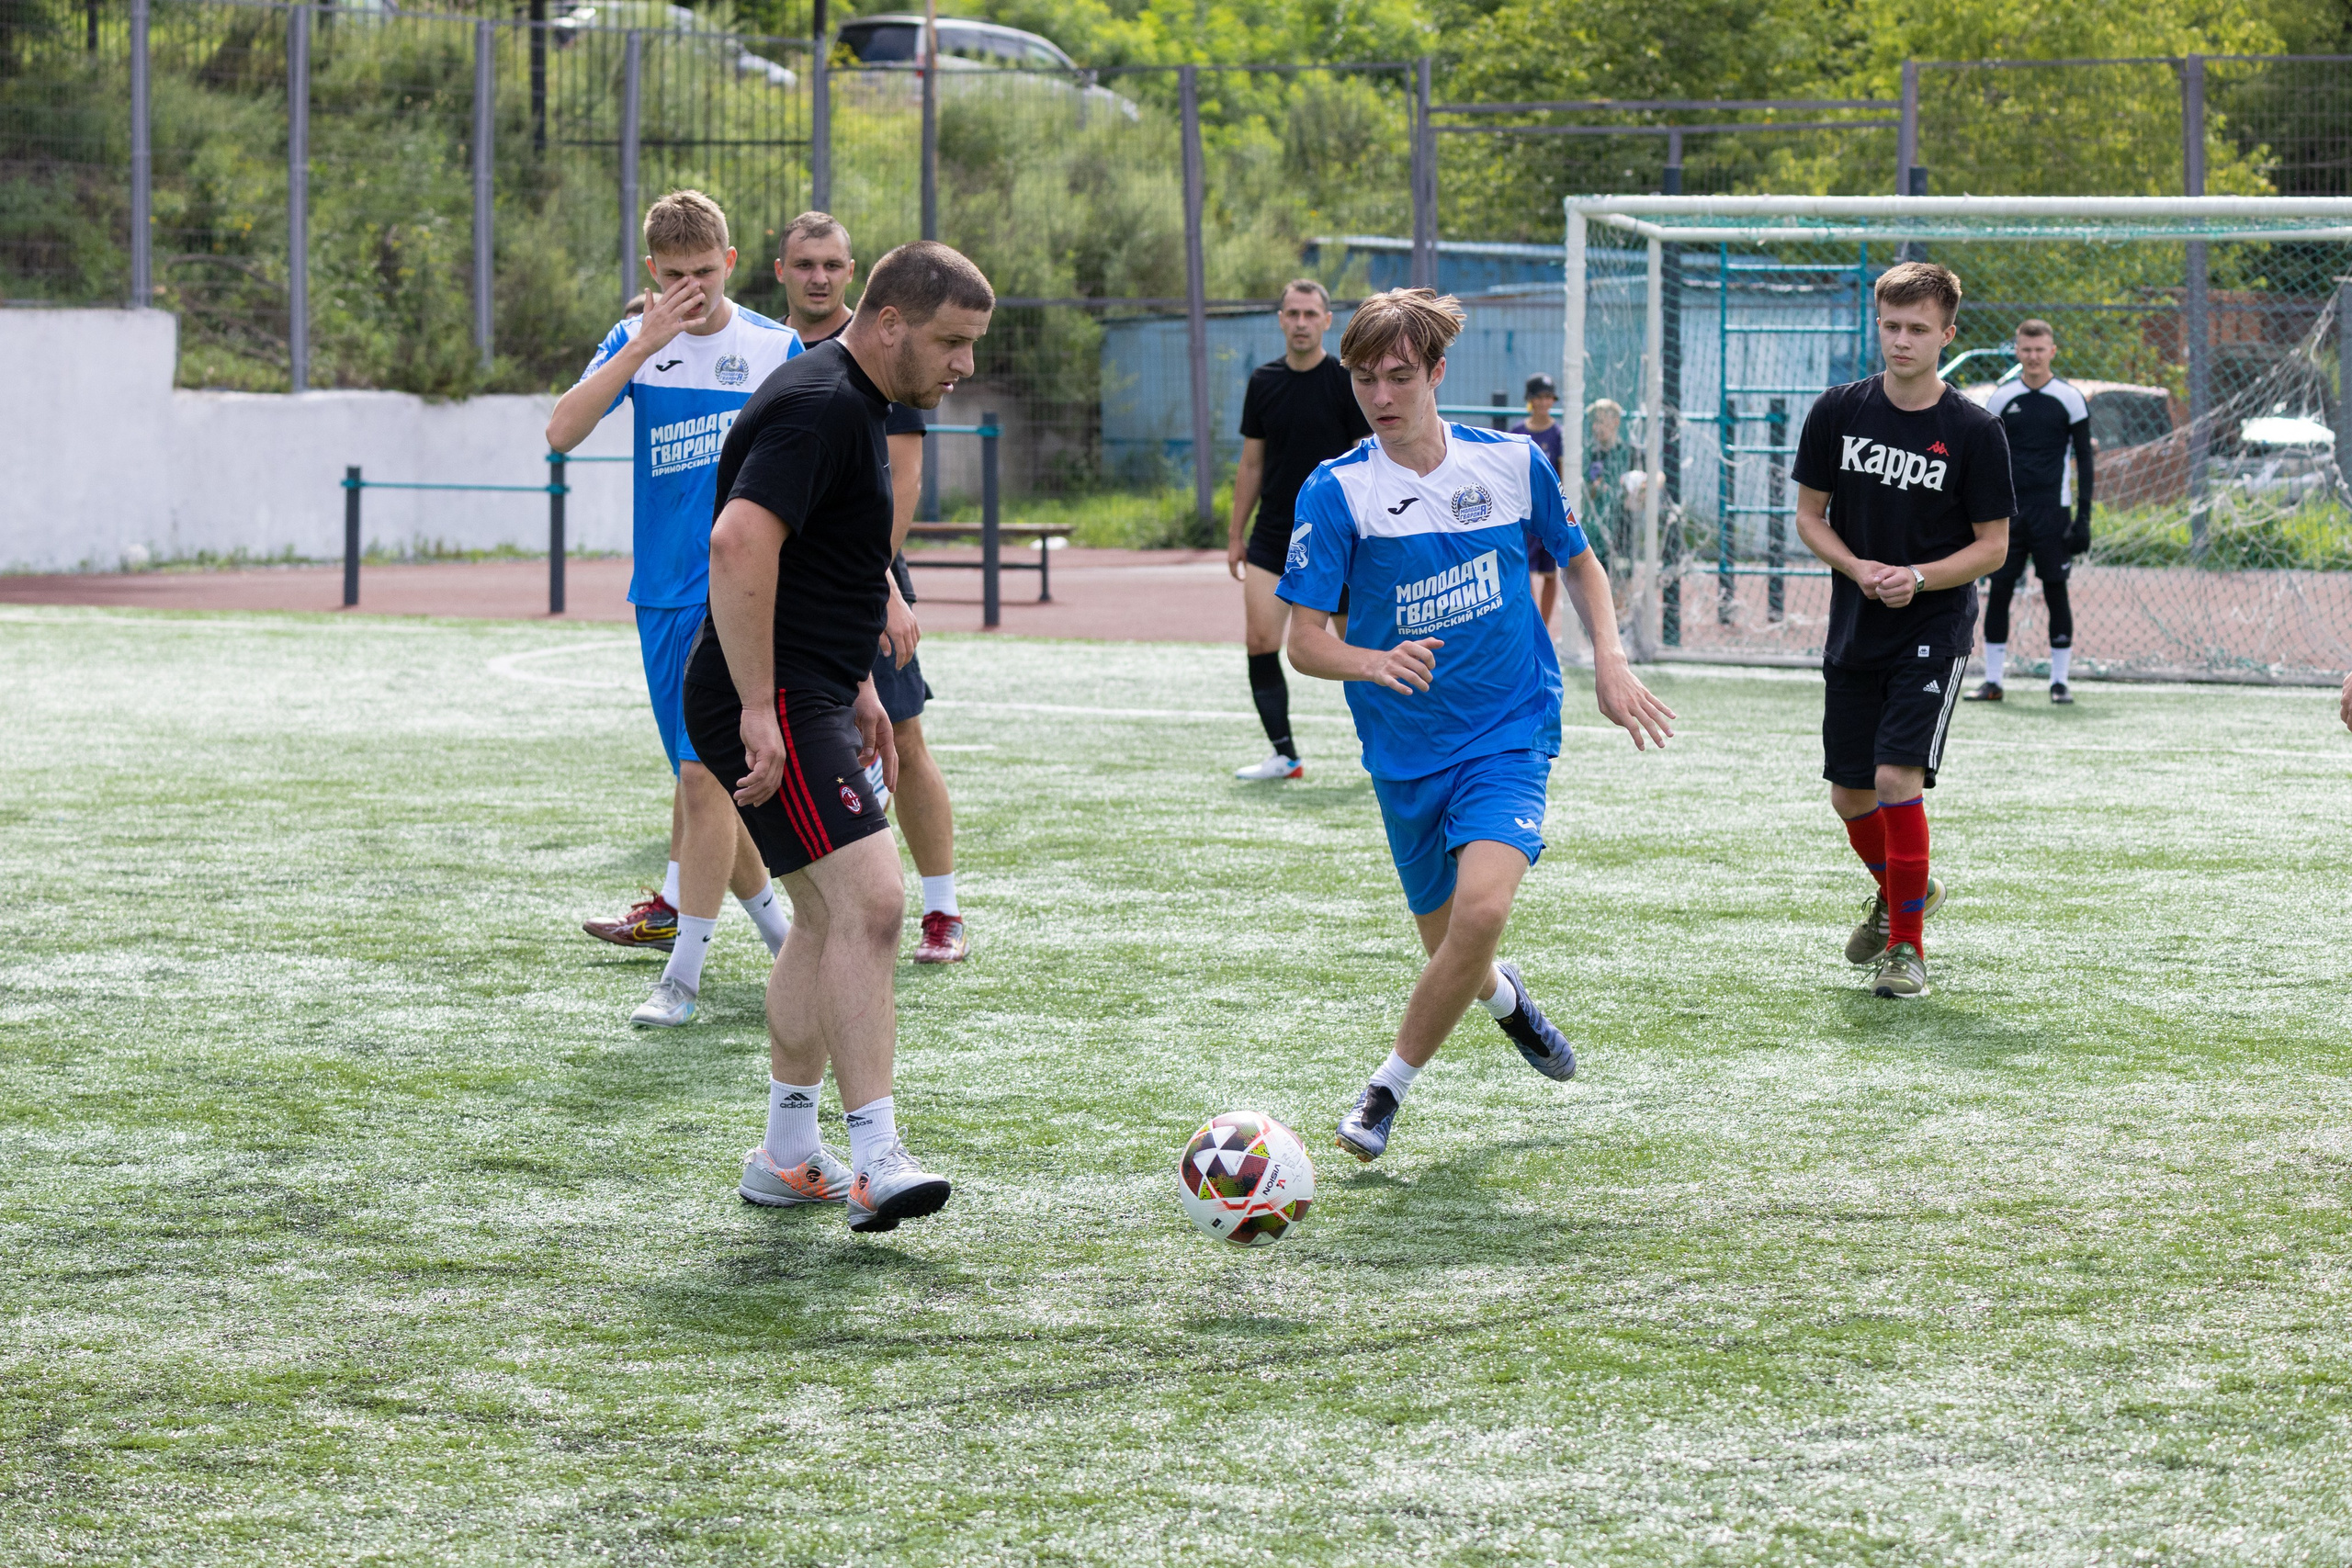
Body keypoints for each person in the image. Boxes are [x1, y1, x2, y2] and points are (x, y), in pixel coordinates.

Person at [1277, 288, 1676, 1164]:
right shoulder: (1338, 489)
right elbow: (1303, 643)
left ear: (1437, 374)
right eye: (1365, 379)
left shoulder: (1512, 462)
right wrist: (1371, 660)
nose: (1381, 395)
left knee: (1484, 909)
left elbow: (1579, 562)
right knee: (1456, 947)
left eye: (1400, 376)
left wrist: (1607, 659)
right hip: (1403, 749)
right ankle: (1507, 1002)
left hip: (1510, 727)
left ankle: (1384, 1090)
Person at [684, 240, 993, 1232]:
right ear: (889, 320)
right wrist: (759, 706)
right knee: (872, 904)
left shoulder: (860, 404)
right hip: (772, 698)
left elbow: (827, 560)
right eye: (951, 341)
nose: (964, 365)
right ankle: (875, 1156)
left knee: (822, 921)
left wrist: (859, 677)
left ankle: (785, 1153)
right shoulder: (822, 403)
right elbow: (739, 542)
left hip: (814, 689)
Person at [548, 189, 802, 1025]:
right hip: (660, 594)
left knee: (703, 777)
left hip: (745, 590)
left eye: (705, 271)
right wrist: (641, 345)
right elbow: (561, 432)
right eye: (674, 275)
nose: (691, 287)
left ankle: (682, 978)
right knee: (703, 784)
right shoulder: (634, 340)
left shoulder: (773, 345)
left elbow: (820, 470)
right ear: (651, 274)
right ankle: (784, 935)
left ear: (729, 263)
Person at [1792, 261, 2013, 1001]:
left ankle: (1907, 949)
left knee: (1894, 778)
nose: (1902, 340)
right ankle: (1904, 890)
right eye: (1891, 325)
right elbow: (1808, 518)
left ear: (1948, 334)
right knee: (1849, 797)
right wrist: (1858, 567)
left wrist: (1916, 577)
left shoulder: (1975, 432)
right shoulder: (1836, 411)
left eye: (1919, 329)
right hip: (1855, 623)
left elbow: (1993, 547)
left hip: (1934, 625)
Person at [775, 211, 967, 963]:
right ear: (781, 270)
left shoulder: (895, 346)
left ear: (852, 273)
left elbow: (903, 486)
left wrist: (880, 584)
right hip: (788, 586)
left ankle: (942, 909)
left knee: (903, 737)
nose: (818, 277)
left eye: (831, 264)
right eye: (805, 264)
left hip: (869, 577)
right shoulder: (766, 352)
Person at [1227, 278, 1374, 782]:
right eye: (1292, 313)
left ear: (1327, 321)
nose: (1301, 322)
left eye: (1311, 314)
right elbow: (1250, 464)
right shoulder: (1263, 381)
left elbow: (1366, 461)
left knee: (1360, 651)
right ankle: (1285, 755)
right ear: (1281, 320)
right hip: (1272, 537)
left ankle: (1390, 749)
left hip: (1340, 542)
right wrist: (1234, 534)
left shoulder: (1347, 380)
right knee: (1259, 640)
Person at [1967, 320, 2096, 705]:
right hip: (2008, 514)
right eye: (2026, 349)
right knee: (2000, 590)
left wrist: (2084, 519)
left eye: (2040, 350)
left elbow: (2086, 462)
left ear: (2052, 351)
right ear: (2017, 352)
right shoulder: (2001, 398)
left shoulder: (2070, 398)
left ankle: (2059, 682)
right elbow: (1983, 459)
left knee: (2056, 590)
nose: (2033, 356)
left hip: (2053, 513)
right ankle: (1993, 681)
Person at [1510, 373, 1565, 629]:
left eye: (1548, 397)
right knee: (1526, 570)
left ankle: (1544, 626)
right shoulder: (1517, 434)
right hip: (1525, 511)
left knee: (1550, 571)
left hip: (1551, 512)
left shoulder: (1559, 435)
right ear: (1530, 400)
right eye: (1539, 397)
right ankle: (1532, 627)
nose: (1544, 403)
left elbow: (1563, 473)